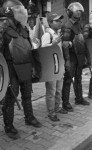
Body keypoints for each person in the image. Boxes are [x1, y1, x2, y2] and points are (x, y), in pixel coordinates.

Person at [0, 0, 42, 140]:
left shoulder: (23, 28)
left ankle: (29, 117)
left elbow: (28, 46)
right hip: (11, 69)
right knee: (10, 99)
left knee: (27, 94)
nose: (22, 13)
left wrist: (34, 66)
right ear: (9, 12)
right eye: (18, 10)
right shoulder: (2, 28)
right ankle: (8, 126)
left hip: (25, 67)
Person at [61, 2, 90, 112]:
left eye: (80, 11)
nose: (79, 12)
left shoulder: (79, 24)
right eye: (77, 10)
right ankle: (65, 102)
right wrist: (67, 60)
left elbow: (82, 41)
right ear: (71, 12)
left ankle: (79, 98)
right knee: (68, 80)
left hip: (79, 56)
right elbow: (65, 45)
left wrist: (86, 56)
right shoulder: (67, 26)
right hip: (72, 57)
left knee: (78, 78)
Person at [41, 13, 67, 122]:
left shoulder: (59, 33)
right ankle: (51, 112)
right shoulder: (47, 35)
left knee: (58, 89)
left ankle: (58, 107)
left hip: (59, 65)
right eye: (57, 21)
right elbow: (42, 51)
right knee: (51, 91)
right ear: (50, 22)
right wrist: (53, 43)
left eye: (60, 21)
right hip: (51, 67)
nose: (60, 22)